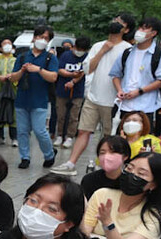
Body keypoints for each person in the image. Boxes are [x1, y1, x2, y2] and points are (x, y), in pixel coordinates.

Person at [51, 14, 135, 175]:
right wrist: (103, 50)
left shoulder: (127, 49)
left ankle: (104, 167)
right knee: (83, 131)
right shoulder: (98, 45)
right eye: (114, 20)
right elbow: (88, 69)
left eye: (120, 22)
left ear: (127, 29)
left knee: (109, 136)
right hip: (93, 97)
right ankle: (70, 164)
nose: (115, 24)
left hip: (114, 101)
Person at [7, 25, 59, 169]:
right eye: (40, 37)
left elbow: (53, 77)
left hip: (40, 100)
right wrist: (23, 70)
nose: (42, 40)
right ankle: (25, 157)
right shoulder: (23, 56)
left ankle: (49, 154)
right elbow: (13, 77)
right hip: (22, 99)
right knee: (22, 131)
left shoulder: (50, 58)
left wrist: (39, 70)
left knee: (40, 130)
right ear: (34, 38)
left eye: (46, 38)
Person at [109, 17, 161, 131]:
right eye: (140, 27)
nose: (140, 31)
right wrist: (119, 90)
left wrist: (140, 91)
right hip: (124, 106)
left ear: (153, 33)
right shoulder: (127, 52)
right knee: (122, 141)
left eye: (145, 29)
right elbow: (115, 74)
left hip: (145, 107)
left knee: (142, 142)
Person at [54, 36, 90, 149]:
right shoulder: (66, 55)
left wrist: (74, 81)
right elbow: (60, 70)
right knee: (61, 114)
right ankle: (59, 135)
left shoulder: (87, 57)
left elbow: (83, 72)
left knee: (74, 116)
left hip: (78, 91)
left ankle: (70, 136)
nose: (80, 52)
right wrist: (71, 75)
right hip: (62, 89)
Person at [80, 135, 131, 199]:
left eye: (112, 152)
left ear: (125, 156)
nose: (106, 156)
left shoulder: (130, 182)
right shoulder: (89, 180)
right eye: (102, 152)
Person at [0, 38, 18, 146]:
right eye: (4, 44)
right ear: (0, 47)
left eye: (9, 44)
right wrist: (0, 77)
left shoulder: (15, 60)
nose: (7, 46)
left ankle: (14, 137)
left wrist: (12, 78)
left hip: (13, 90)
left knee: (13, 112)